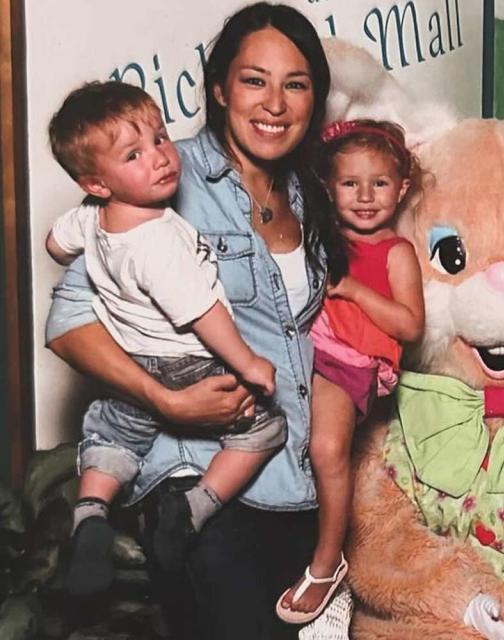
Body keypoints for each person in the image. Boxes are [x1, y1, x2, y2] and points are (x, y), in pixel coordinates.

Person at [44, 4, 342, 638]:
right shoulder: (154, 175)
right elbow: (67, 324)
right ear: (218, 87)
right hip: (196, 484)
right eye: (254, 80)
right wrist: (165, 401)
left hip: (295, 480)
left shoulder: (309, 193)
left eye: (296, 84)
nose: (275, 103)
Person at [46, 80, 285, 595]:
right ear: (97, 182)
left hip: (135, 358)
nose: (159, 158)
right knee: (264, 431)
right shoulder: (158, 240)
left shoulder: (93, 218)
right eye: (134, 154)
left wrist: (74, 239)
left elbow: (55, 242)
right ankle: (193, 509)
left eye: (159, 138)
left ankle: (90, 513)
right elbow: (203, 315)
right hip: (189, 363)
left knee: (114, 435)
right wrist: (248, 363)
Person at [276, 119, 425, 623]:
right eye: (349, 184)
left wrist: (356, 291)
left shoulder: (395, 252)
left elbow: (409, 325)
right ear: (328, 188)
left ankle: (327, 562)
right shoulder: (321, 234)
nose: (365, 196)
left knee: (327, 448)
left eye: (379, 183)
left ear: (401, 188)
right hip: (303, 347)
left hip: (351, 360)